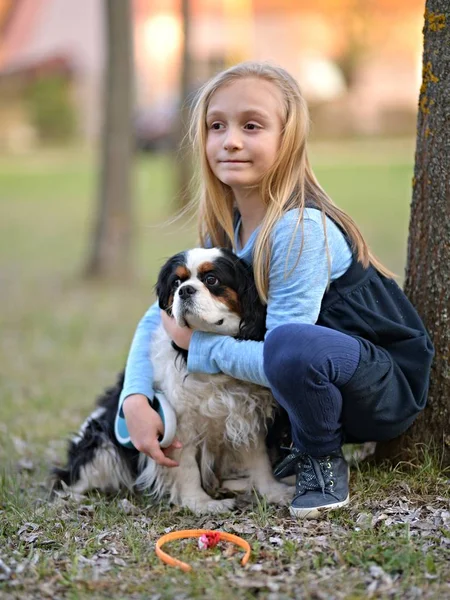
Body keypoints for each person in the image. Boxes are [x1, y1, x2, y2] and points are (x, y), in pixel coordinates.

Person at [116, 62, 434, 518]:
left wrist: (199, 346)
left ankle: (320, 459)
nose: (231, 140)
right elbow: (158, 314)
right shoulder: (228, 227)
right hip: (317, 387)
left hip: (381, 387)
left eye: (252, 126)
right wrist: (135, 398)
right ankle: (283, 443)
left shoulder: (299, 229)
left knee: (287, 343)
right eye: (216, 126)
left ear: (288, 140)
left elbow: (280, 358)